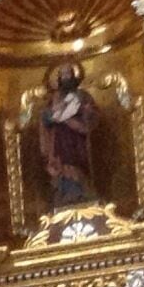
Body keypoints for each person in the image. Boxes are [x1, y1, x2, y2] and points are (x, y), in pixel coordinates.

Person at [39, 63, 100, 207]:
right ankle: (65, 193)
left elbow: (92, 116)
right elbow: (46, 117)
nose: (66, 77)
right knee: (63, 165)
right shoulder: (54, 99)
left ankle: (82, 192)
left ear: (74, 76)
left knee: (78, 165)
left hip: (78, 140)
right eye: (63, 74)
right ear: (59, 78)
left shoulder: (83, 96)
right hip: (59, 141)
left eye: (68, 74)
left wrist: (84, 113)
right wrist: (54, 115)